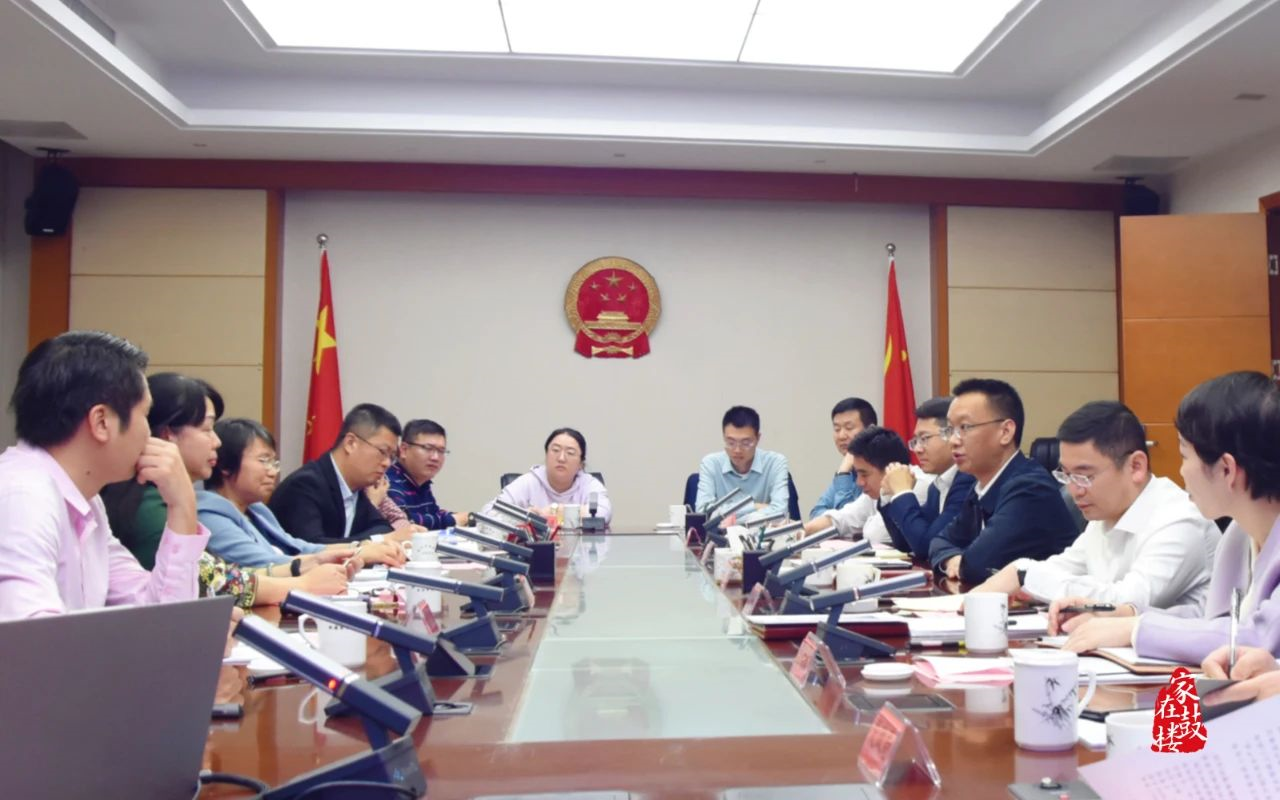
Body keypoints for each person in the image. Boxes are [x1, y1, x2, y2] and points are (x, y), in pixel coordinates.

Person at [1058, 372, 1280, 664]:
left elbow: (1260, 639)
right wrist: (1122, 615)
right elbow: (1210, 621)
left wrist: (1135, 629)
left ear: (1226, 469)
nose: (1181, 471)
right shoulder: (1238, 534)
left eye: (1185, 456)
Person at [98, 374, 357, 607]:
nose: (217, 441)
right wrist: (301, 585)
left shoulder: (159, 496)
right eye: (207, 429)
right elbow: (208, 584)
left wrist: (302, 566)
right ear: (168, 435)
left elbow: (219, 574)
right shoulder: (150, 504)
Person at [0, 331, 208, 620]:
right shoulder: (22, 495)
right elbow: (31, 641)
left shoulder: (86, 501)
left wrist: (183, 506)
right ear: (101, 422)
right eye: (145, 415)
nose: (149, 433)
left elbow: (162, 617)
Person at [972, 401, 1219, 609]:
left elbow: (1128, 602)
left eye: (1084, 476)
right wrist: (1026, 584)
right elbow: (1063, 568)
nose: (1074, 490)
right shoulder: (1105, 514)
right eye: (1066, 474)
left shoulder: (1178, 519)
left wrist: (1024, 574)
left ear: (1136, 466)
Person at [198, 418, 406, 568]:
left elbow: (300, 547)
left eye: (274, 463)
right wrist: (356, 553)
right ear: (225, 465)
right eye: (264, 461)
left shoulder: (257, 510)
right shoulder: (208, 514)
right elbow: (264, 563)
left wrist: (360, 548)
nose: (273, 472)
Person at [927, 378, 1078, 584]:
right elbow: (938, 541)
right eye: (950, 430)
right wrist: (952, 559)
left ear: (1005, 432)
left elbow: (977, 565)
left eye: (965, 427)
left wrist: (961, 562)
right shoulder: (980, 486)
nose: (953, 440)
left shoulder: (1030, 488)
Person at [270, 403, 405, 543]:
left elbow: (383, 528)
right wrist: (378, 540)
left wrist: (380, 538)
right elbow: (313, 548)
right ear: (350, 443)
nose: (387, 463)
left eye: (392, 457)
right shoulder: (304, 485)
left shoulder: (356, 488)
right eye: (383, 452)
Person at [878, 396, 977, 560]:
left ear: (950, 434)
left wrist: (903, 493)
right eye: (915, 441)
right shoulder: (937, 487)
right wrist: (890, 495)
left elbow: (927, 546)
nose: (917, 449)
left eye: (924, 439)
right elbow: (905, 544)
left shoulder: (967, 480)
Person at [805, 427, 931, 546]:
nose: (859, 482)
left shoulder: (918, 486)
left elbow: (877, 535)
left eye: (864, 474)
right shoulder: (876, 491)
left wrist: (865, 525)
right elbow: (844, 519)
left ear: (890, 468)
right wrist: (804, 530)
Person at [485, 428, 612, 524]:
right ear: (546, 456)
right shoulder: (529, 481)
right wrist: (525, 516)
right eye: (555, 450)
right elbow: (488, 512)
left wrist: (552, 512)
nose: (561, 458)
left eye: (570, 453)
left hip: (581, 550)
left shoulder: (589, 484)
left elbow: (604, 513)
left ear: (581, 464)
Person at [694, 406, 790, 517]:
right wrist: (755, 506)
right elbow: (703, 513)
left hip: (760, 530)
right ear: (724, 437)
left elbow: (781, 512)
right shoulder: (711, 463)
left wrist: (729, 518)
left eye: (745, 443)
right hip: (729, 530)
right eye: (731, 443)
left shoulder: (775, 463)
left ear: (758, 438)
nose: (737, 450)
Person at [386, 419, 469, 530]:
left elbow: (433, 514)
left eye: (441, 451)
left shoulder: (422, 483)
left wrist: (460, 517)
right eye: (428, 448)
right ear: (404, 450)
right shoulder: (388, 481)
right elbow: (401, 521)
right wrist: (452, 520)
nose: (435, 457)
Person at [809, 397, 876, 518]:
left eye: (849, 428)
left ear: (871, 430)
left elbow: (848, 522)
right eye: (837, 429)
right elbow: (815, 513)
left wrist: (843, 473)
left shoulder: (880, 469)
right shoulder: (850, 468)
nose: (841, 436)